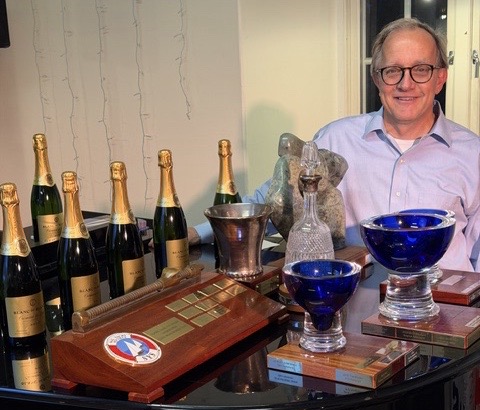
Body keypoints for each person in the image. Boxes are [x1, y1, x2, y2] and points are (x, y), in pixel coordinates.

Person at [190, 17, 480, 275]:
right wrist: (195, 234)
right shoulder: (337, 139)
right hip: (354, 301)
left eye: (421, 69)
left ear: (440, 78)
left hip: (445, 307)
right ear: (376, 78)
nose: (406, 84)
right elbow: (276, 199)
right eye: (392, 71)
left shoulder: (472, 154)